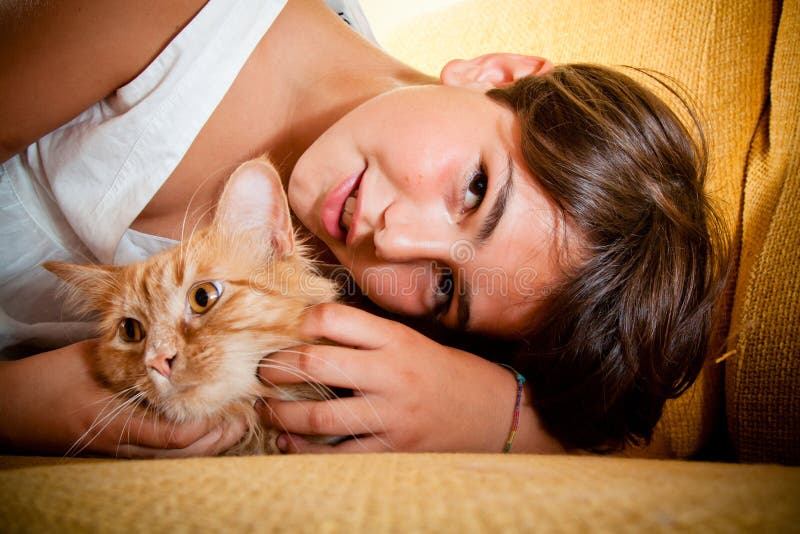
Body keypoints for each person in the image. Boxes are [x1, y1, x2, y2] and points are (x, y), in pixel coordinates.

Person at [0, 0, 727, 457]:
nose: (395, 238)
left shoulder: (345, 303)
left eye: (445, 285)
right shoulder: (176, 18)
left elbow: (625, 435)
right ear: (495, 70)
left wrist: (495, 413)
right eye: (475, 190)